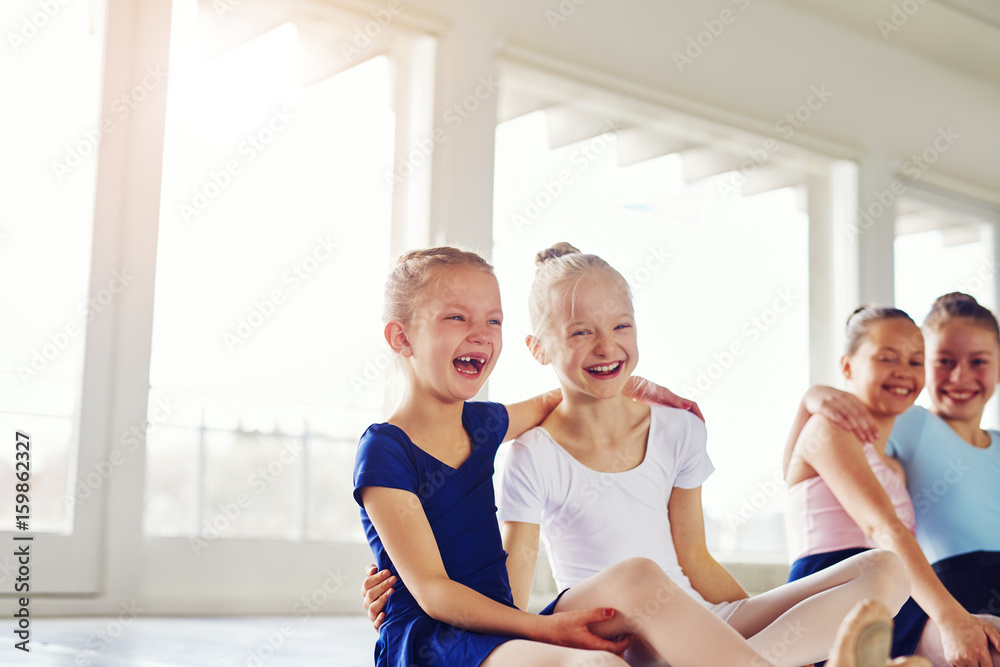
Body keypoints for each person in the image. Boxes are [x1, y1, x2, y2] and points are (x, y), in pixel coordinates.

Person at [357, 244, 917, 666]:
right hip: (495, 628)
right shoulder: (405, 446)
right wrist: (537, 627)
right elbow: (448, 589)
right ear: (400, 338)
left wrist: (641, 386)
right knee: (620, 620)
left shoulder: (486, 424)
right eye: (457, 318)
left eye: (493, 321)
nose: (480, 334)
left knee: (885, 569)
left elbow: (564, 391)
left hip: (616, 617)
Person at [783, 305, 1000, 667]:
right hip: (832, 587)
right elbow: (882, 527)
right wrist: (950, 618)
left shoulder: (893, 469)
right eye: (887, 358)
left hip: (891, 591)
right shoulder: (827, 428)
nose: (903, 371)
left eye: (916, 362)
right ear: (847, 366)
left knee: (991, 639)